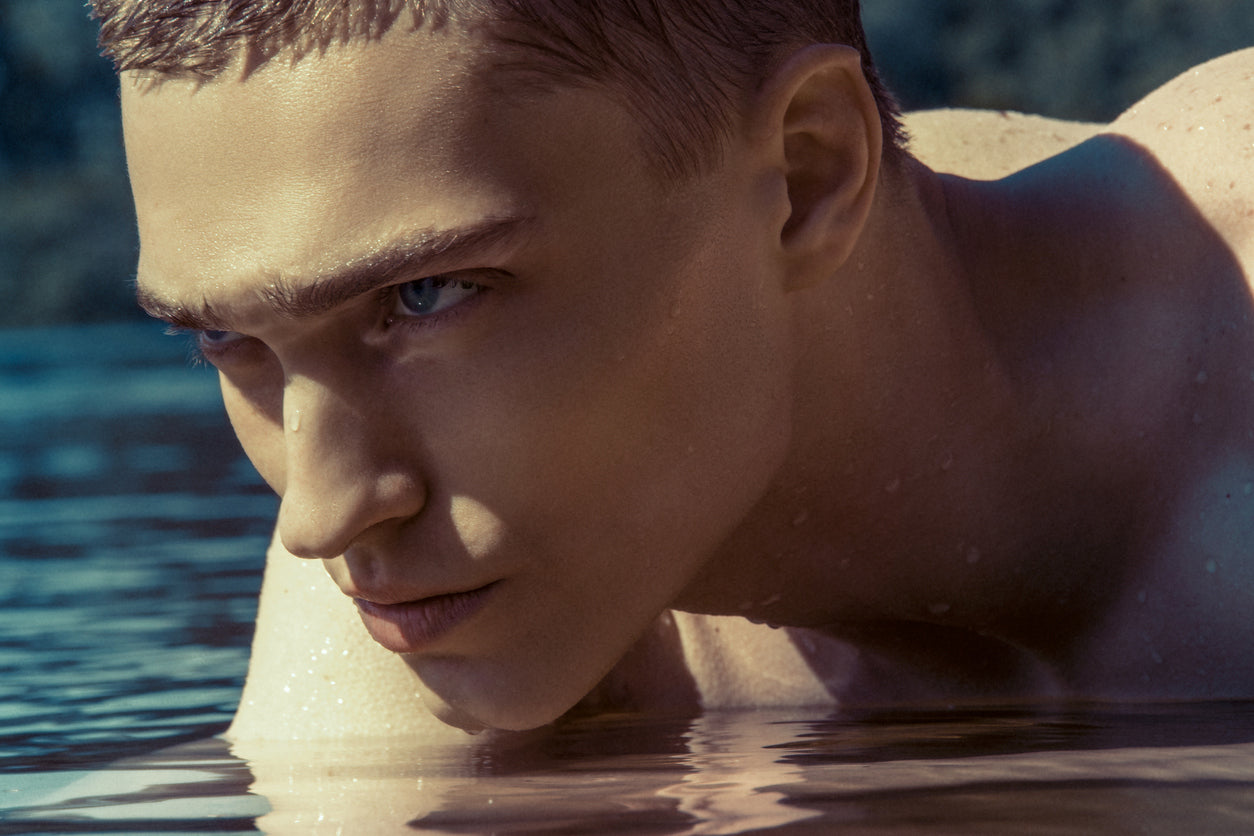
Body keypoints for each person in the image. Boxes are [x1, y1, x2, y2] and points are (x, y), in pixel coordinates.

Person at [94, 0, 1254, 739]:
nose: (320, 511)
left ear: (806, 176)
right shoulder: (434, 580)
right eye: (227, 339)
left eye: (426, 292)